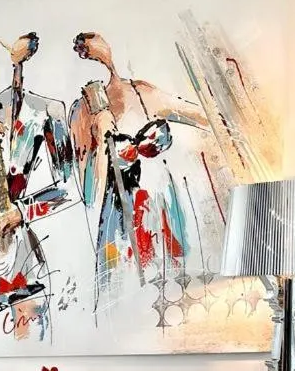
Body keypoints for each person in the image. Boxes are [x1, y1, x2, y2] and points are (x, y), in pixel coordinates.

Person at [69, 31, 209, 312]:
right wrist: (103, 135)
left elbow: (202, 116)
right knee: (127, 295)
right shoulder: (82, 111)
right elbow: (89, 193)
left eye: (93, 43)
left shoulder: (142, 92)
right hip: (121, 214)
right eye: (83, 49)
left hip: (162, 205)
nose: (89, 49)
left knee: (178, 287)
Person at [0, 31, 75, 343]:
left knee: (29, 338)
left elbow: (69, 188)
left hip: (18, 246)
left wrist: (22, 212)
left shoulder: (50, 111)